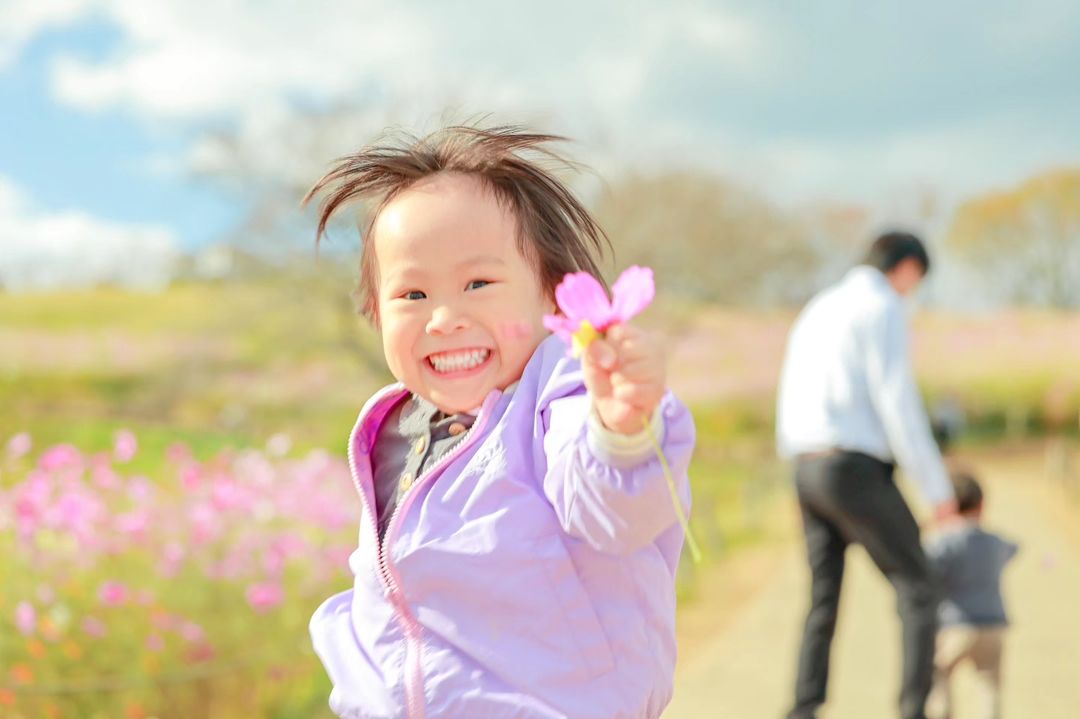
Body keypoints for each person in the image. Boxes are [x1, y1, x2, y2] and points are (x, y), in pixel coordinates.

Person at [303, 126, 695, 719]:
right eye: (410, 294)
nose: (444, 318)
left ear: (552, 296)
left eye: (478, 283)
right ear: (374, 313)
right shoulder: (395, 433)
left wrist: (619, 431)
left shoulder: (560, 402)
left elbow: (615, 514)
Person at [776, 231, 959, 719]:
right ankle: (913, 710)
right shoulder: (882, 308)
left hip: (806, 465)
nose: (912, 291)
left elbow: (791, 389)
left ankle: (803, 708)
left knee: (823, 598)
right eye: (915, 281)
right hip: (852, 466)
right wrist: (936, 489)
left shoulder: (819, 307)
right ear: (906, 269)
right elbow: (897, 401)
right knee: (920, 585)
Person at [925, 471, 1019, 719]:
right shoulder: (994, 542)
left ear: (948, 506)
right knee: (989, 686)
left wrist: (934, 526)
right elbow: (1014, 548)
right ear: (982, 505)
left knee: (939, 676)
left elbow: (925, 566)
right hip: (994, 624)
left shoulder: (944, 542)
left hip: (956, 624)